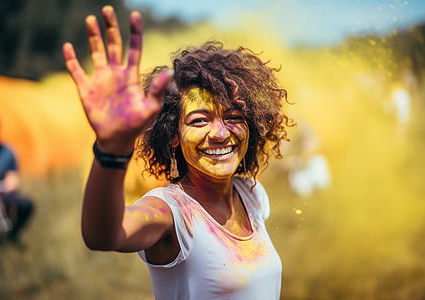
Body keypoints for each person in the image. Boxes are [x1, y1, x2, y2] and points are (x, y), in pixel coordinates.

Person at [63, 6, 291, 299]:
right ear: (173, 136)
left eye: (234, 116)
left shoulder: (251, 194)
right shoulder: (170, 213)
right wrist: (113, 149)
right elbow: (104, 234)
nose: (220, 133)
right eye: (199, 120)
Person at [0, 114, 34, 242]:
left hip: (2, 193)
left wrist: (1, 188)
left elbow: (13, 179)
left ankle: (12, 235)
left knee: (26, 204)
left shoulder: (7, 151)